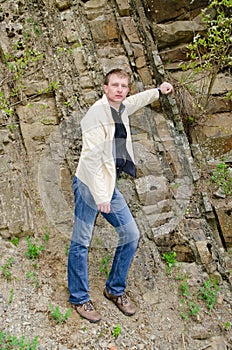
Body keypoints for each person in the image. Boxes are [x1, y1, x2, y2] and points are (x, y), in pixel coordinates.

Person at [68, 68, 173, 323]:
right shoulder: (97, 114)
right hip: (89, 184)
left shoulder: (121, 106)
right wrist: (101, 195)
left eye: (123, 86)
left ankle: (114, 289)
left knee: (131, 234)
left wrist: (158, 91)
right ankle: (79, 298)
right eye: (114, 85)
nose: (119, 89)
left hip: (108, 183)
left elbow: (135, 101)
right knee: (82, 241)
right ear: (105, 88)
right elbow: (91, 160)